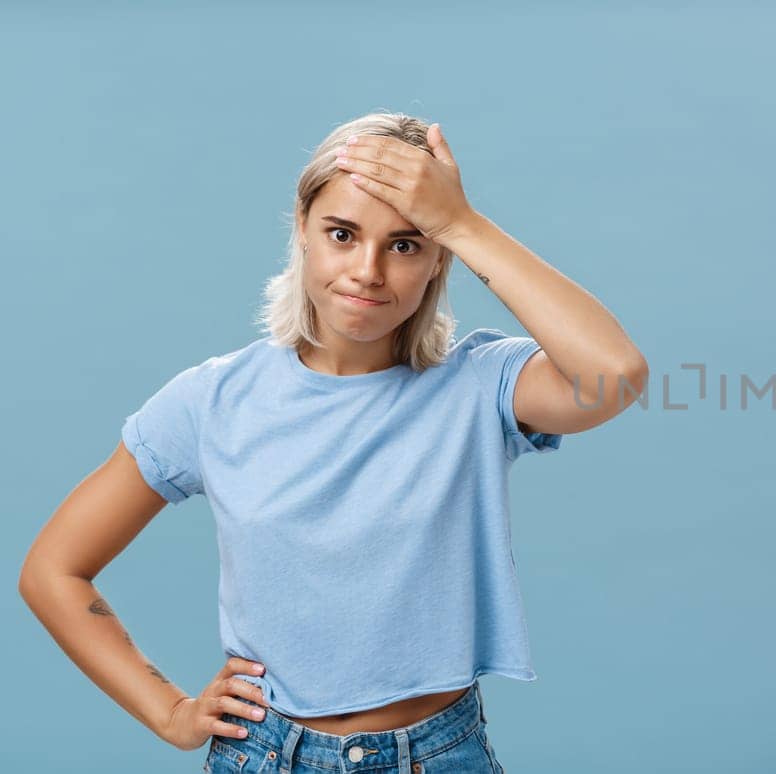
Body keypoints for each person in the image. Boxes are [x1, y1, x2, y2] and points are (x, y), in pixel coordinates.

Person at [18, 111, 649, 772]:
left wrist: (461, 222)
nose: (368, 271)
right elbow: (53, 570)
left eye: (406, 244)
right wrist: (171, 712)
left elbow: (616, 374)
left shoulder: (480, 387)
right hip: (262, 755)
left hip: (435, 755)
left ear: (439, 260)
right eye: (342, 234)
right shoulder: (210, 402)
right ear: (302, 229)